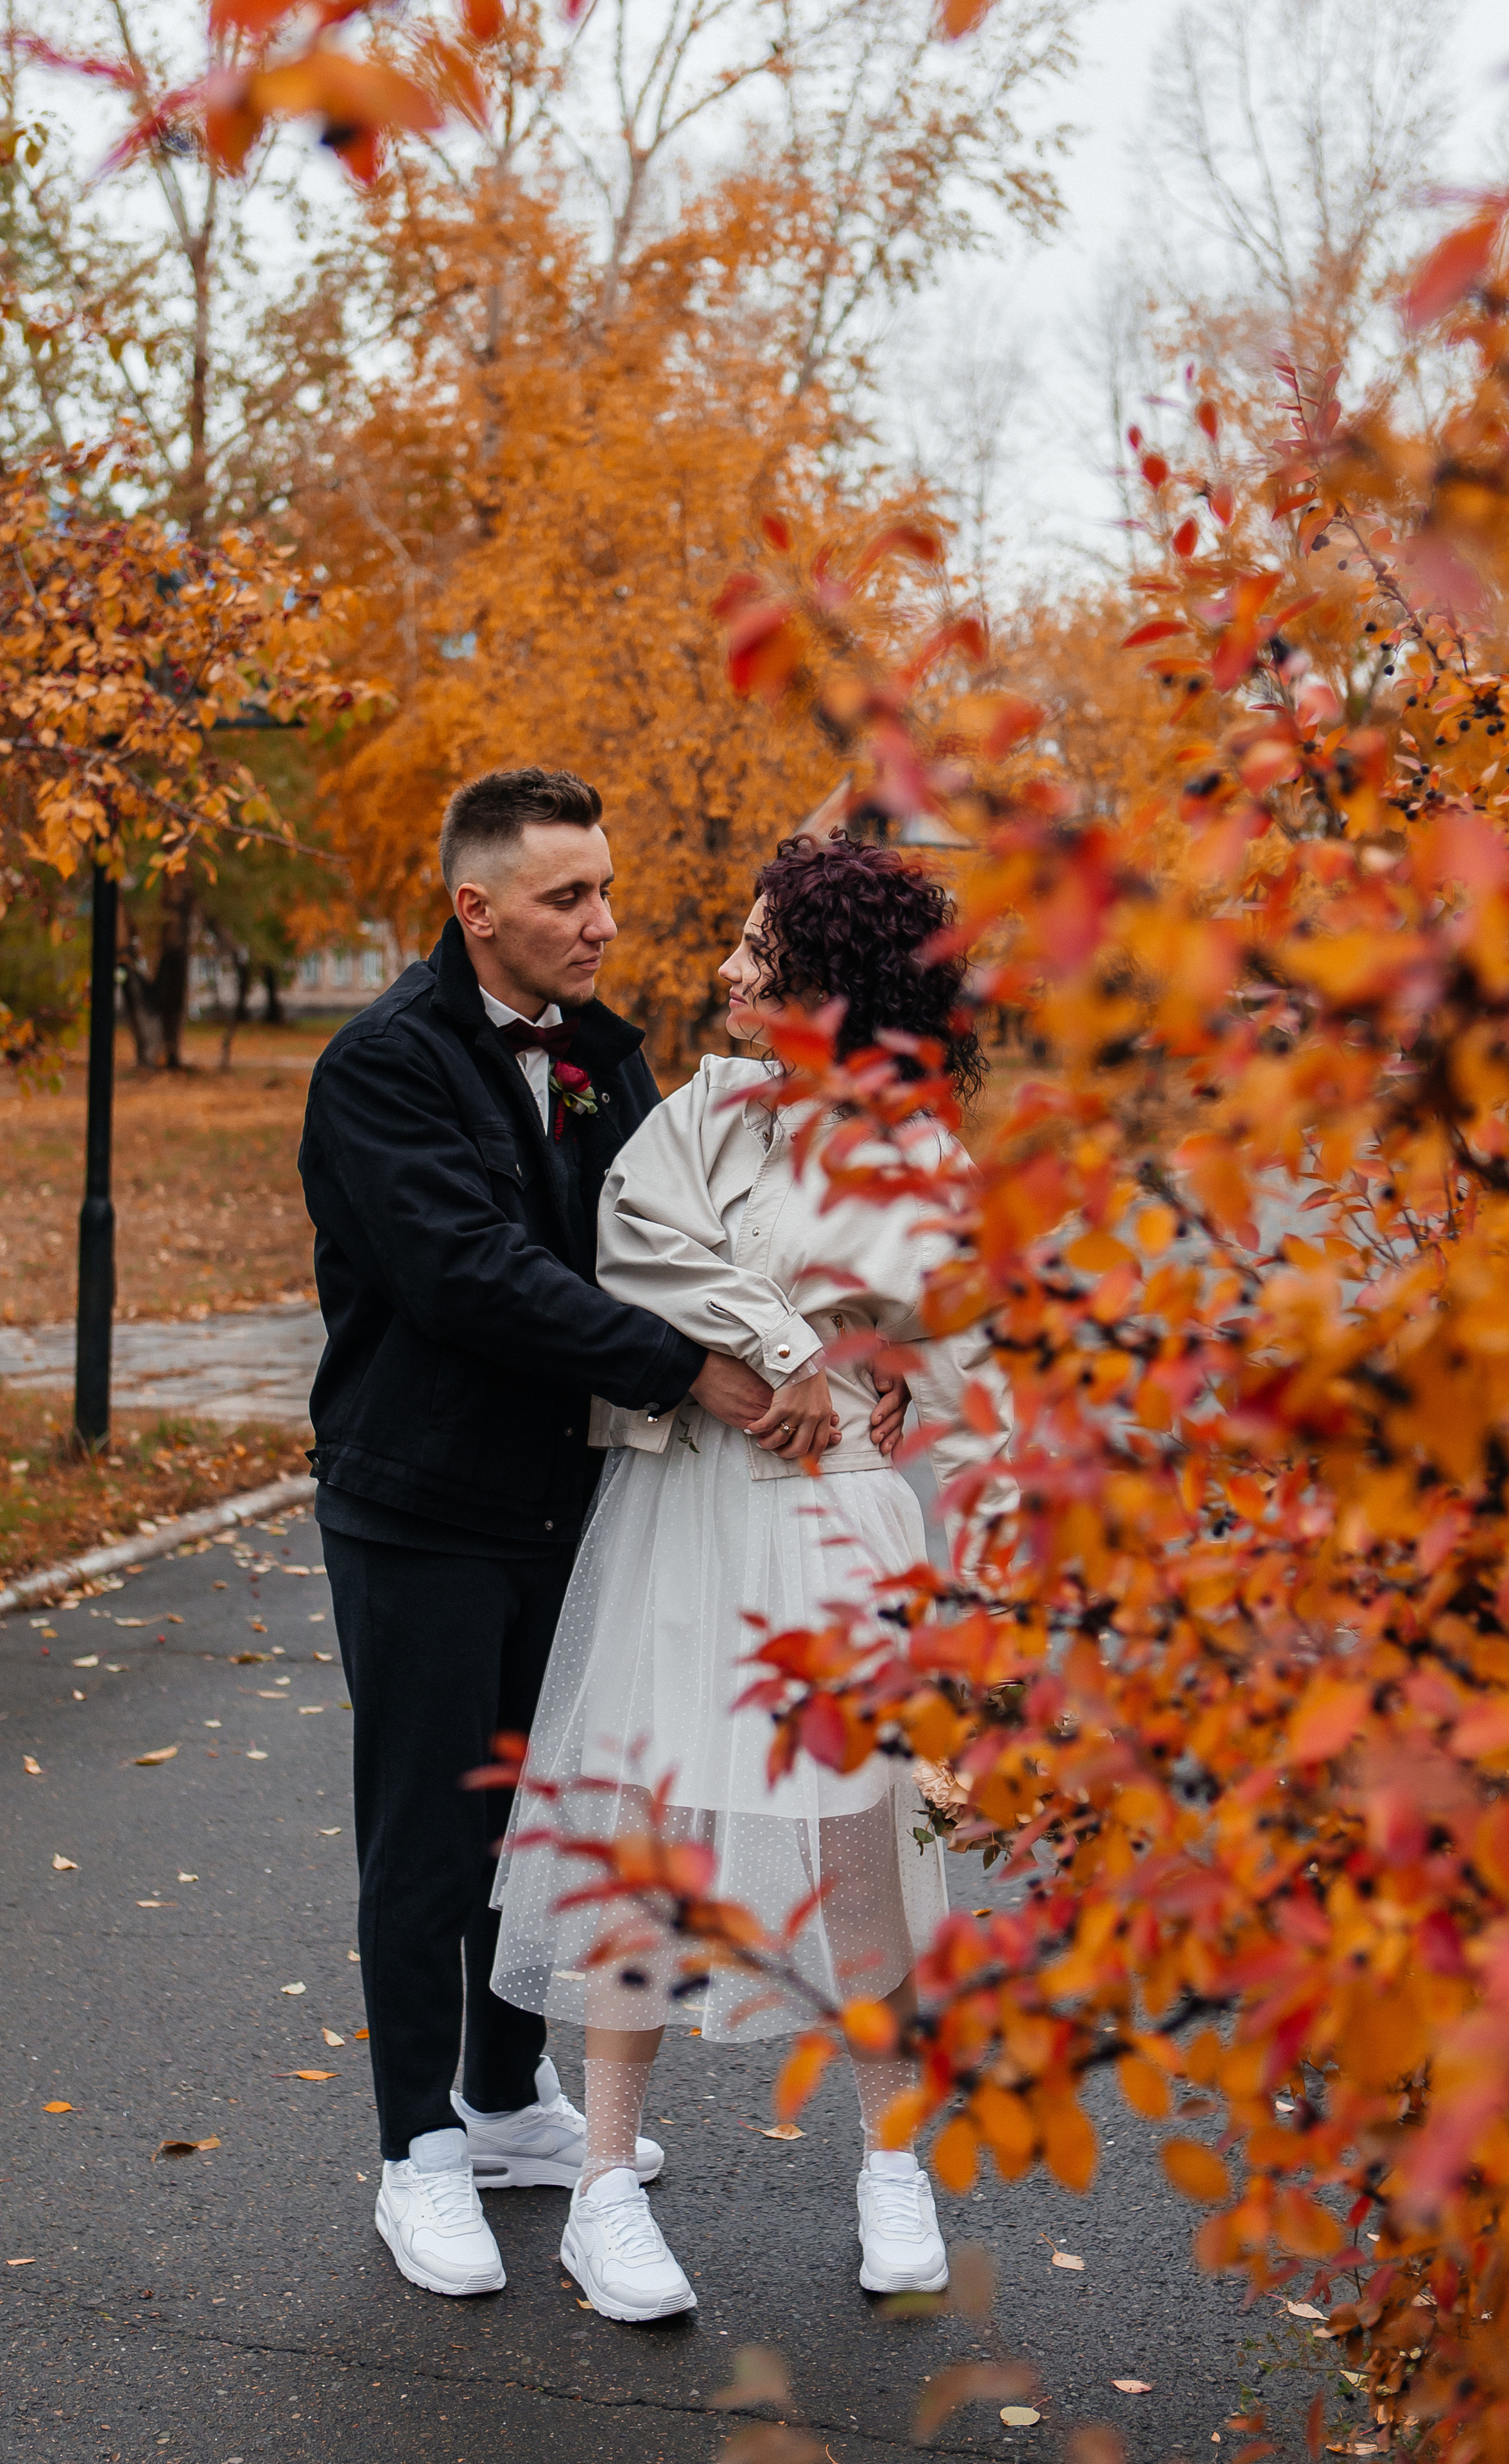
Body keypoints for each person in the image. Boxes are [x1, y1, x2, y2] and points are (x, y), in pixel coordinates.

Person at [298, 769, 905, 2299]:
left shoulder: (601, 1060)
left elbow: (679, 1241)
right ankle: (414, 2159)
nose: (603, 923)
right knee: (428, 1834)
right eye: (568, 897)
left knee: (542, 1818)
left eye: (606, 890)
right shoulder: (383, 1066)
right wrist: (704, 1369)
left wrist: (855, 1350)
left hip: (574, 1502)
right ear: (474, 906)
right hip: (423, 1504)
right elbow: (472, 1276)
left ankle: (505, 2106)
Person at [491, 834, 1012, 2324]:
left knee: (858, 1850)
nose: (725, 969)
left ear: (827, 988)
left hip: (838, 1521)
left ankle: (891, 2159)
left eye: (757, 951)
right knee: (641, 1830)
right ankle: (601, 2185)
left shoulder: (917, 1152)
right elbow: (631, 1248)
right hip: (685, 1507)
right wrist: (787, 1346)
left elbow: (970, 1366)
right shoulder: (704, 1110)